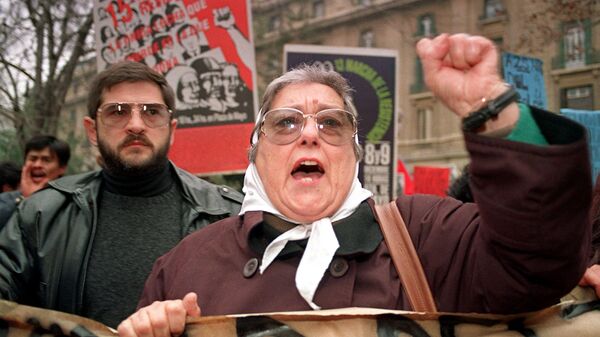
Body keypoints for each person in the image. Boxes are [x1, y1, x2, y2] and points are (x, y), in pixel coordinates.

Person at [118, 34, 592, 335]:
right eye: (285, 123)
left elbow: (537, 263)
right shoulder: (184, 266)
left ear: (355, 153)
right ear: (254, 153)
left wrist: (492, 110)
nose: (309, 133)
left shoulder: (424, 234)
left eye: (332, 124)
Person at [0, 61, 243, 327]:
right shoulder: (41, 215)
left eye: (152, 112)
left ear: (171, 130)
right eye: (117, 112)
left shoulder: (228, 215)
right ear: (92, 130)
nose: (136, 125)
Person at [0, 135, 70, 227]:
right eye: (32, 159)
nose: (37, 165)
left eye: (46, 160)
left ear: (62, 168)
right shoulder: (5, 201)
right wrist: (26, 200)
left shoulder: (70, 207)